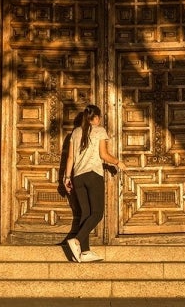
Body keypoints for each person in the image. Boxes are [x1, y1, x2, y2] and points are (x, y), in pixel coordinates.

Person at [63, 104, 126, 262]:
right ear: (96, 117)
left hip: (77, 177)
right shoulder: (100, 131)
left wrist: (67, 178)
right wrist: (118, 163)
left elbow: (70, 158)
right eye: (99, 117)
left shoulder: (76, 132)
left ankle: (85, 252)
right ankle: (76, 241)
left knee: (86, 214)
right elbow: (103, 154)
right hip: (93, 175)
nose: (99, 120)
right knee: (97, 213)